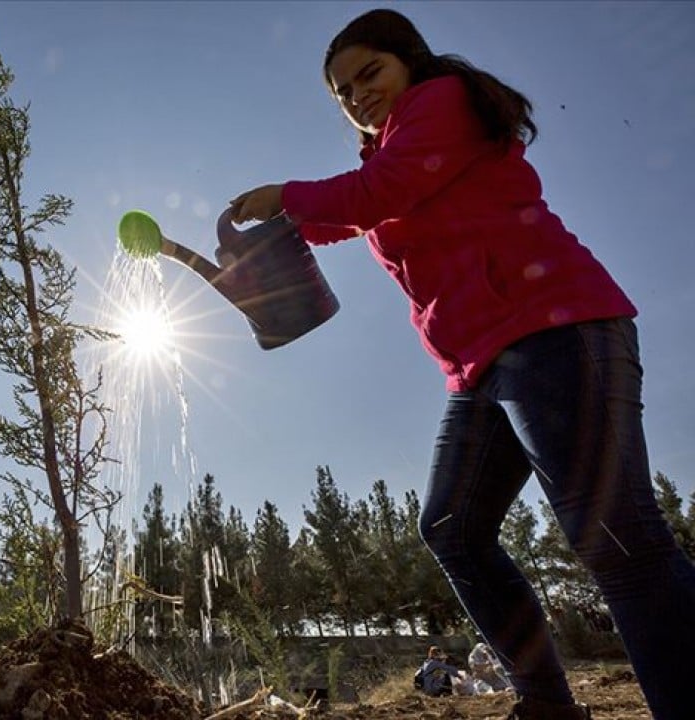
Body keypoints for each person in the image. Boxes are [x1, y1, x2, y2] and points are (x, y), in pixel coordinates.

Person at [227, 8, 695, 720]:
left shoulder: (440, 106)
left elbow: (377, 196)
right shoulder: (384, 156)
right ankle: (547, 706)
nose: (357, 96)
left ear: (409, 61)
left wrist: (286, 194)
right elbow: (351, 212)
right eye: (343, 92)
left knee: (620, 543)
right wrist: (276, 227)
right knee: (453, 528)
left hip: (556, 330)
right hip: (484, 366)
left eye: (369, 74)